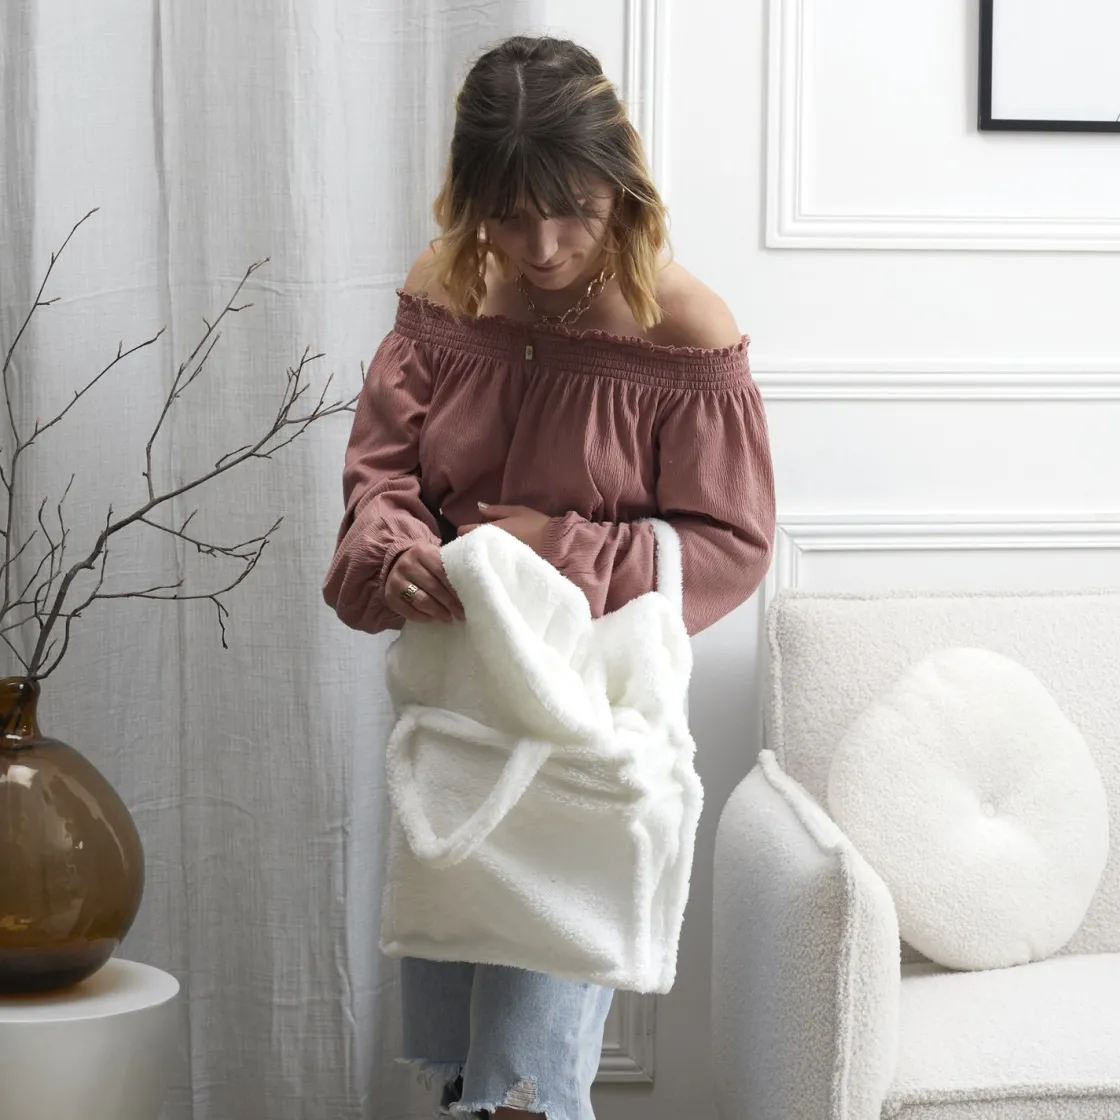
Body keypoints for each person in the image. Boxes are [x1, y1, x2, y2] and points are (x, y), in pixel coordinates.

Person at [323, 33, 775, 1120]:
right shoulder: (446, 288)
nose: (541, 246)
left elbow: (730, 543)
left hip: (587, 732)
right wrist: (401, 552)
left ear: (621, 182)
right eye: (509, 214)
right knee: (457, 1070)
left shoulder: (683, 326)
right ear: (469, 198)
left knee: (525, 1080)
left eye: (572, 209)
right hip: (455, 718)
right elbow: (381, 475)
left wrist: (552, 550)